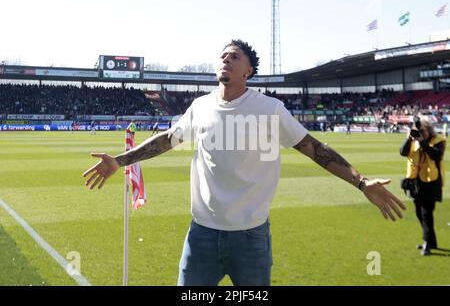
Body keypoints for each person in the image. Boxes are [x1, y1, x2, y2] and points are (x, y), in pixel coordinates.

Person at [83, 39, 406, 286]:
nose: (226, 59)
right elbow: (169, 139)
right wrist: (120, 161)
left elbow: (314, 149)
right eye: (223, 55)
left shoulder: (270, 109)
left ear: (248, 71)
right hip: (202, 237)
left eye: (234, 56)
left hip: (251, 240)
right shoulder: (200, 106)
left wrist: (361, 182)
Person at [400, 118, 446, 256]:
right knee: (419, 213)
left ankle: (427, 244)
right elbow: (402, 152)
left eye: (423, 131)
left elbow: (436, 155)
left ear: (429, 130)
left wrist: (422, 142)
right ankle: (431, 242)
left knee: (427, 214)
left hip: (431, 183)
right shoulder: (413, 140)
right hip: (416, 183)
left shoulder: (439, 141)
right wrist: (409, 139)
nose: (420, 133)